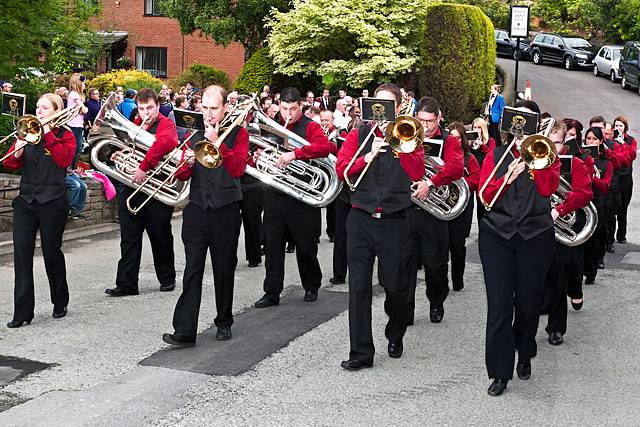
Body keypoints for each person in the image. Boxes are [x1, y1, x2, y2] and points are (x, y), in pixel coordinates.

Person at [336, 83, 425, 369]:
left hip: (395, 221)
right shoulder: (359, 134)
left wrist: (401, 147)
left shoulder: (408, 135)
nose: (382, 110)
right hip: (360, 218)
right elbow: (342, 170)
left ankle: (395, 330)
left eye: (388, 105)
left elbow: (417, 172)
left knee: (396, 286)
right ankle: (361, 353)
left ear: (398, 108)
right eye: (377, 104)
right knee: (358, 288)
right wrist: (368, 154)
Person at [478, 100, 560, 396]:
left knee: (528, 305)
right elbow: (485, 196)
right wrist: (507, 175)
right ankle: (500, 372)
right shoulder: (496, 156)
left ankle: (524, 353)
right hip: (496, 236)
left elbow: (549, 189)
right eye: (517, 123)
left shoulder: (546, 155)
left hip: (535, 236)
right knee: (499, 307)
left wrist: (537, 159)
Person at [163, 86, 249, 347]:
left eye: (214, 108)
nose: (209, 114)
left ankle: (224, 321)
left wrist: (217, 144)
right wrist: (186, 163)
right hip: (198, 209)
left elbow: (237, 169)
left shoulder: (238, 133)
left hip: (226, 209)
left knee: (224, 268)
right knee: (192, 269)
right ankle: (184, 330)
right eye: (205, 108)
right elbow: (180, 175)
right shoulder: (193, 133)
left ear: (225, 108)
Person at [3, 93, 76, 327]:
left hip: (53, 202)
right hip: (27, 201)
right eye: (37, 107)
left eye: (44, 108)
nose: (39, 111)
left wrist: (47, 133)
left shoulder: (66, 135)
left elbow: (64, 160)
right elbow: (10, 164)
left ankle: (60, 300)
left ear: (56, 111)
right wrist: (18, 151)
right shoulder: (27, 132)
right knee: (21, 256)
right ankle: (22, 312)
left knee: (51, 252)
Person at [253, 87, 331, 308]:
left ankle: (311, 285)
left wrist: (294, 154)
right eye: (285, 109)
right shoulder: (272, 125)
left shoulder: (311, 126)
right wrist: (260, 154)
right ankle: (271, 292)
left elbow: (323, 147)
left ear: (301, 106)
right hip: (275, 195)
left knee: (306, 246)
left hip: (302, 196)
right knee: (273, 246)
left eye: (293, 109)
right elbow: (259, 147)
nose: (288, 114)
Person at [105, 88, 178, 297]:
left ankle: (167, 278)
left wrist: (143, 167)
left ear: (157, 105)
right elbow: (127, 147)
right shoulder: (136, 123)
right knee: (129, 237)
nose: (146, 113)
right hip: (132, 188)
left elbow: (165, 143)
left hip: (157, 188)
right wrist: (119, 154)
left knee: (160, 235)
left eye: (150, 108)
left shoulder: (166, 124)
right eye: (142, 108)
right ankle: (127, 284)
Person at [408, 96, 464, 324]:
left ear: (439, 118)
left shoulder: (450, 140)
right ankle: (406, 310)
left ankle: (436, 301)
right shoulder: (407, 133)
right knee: (405, 264)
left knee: (435, 264)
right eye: (420, 120)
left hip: (434, 212)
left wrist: (430, 183)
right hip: (407, 209)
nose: (425, 127)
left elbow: (457, 167)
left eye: (430, 122)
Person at [544, 120, 592, 346]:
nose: (552, 148)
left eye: (557, 143)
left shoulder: (574, 164)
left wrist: (559, 209)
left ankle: (556, 327)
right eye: (548, 142)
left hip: (559, 230)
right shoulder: (530, 160)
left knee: (557, 279)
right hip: (530, 229)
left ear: (565, 143)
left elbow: (584, 194)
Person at [446, 122, 480, 292]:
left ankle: (457, 279)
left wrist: (459, 183)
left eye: (458, 137)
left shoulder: (470, 158)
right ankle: (441, 283)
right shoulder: (442, 155)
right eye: (451, 136)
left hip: (462, 208)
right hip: (443, 207)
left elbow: (476, 180)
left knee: (457, 246)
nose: (454, 140)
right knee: (441, 247)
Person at [580, 127, 613, 285]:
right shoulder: (580, 158)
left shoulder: (606, 163)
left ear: (600, 142)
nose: (590, 142)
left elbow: (605, 187)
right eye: (588, 139)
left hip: (598, 202)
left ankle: (591, 271)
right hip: (581, 202)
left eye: (594, 139)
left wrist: (592, 176)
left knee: (595, 239)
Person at [613, 116, 636, 244]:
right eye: (616, 126)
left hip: (626, 177)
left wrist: (622, 143)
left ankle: (621, 235)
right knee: (612, 207)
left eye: (620, 126)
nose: (618, 128)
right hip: (614, 176)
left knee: (623, 207)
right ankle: (609, 236)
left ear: (625, 127)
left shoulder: (630, 140)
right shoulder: (611, 140)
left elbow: (631, 157)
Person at [470, 117, 496, 222]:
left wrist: (482, 146)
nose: (476, 129)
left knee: (482, 205)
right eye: (474, 127)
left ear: (483, 128)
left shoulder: (490, 141)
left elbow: (493, 155)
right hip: (473, 175)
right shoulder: (471, 140)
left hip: (485, 176)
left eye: (479, 127)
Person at [67, 73, 89, 168]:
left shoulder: (72, 94)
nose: (84, 85)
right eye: (83, 83)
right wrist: (85, 109)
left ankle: (72, 167)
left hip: (76, 124)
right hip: (74, 124)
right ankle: (72, 168)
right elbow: (84, 110)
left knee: (77, 147)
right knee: (77, 147)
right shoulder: (75, 94)